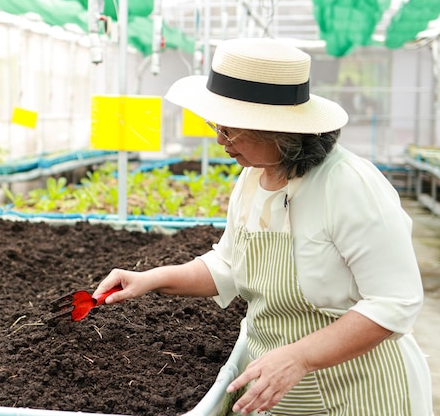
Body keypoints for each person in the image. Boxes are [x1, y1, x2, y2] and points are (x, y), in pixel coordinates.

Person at [92, 38, 434, 415]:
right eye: (216, 125)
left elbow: (394, 303)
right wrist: (151, 279)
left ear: (279, 130)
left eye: (230, 130)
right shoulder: (254, 177)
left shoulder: (349, 185)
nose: (219, 140)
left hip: (355, 393)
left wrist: (300, 358)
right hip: (278, 393)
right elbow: (227, 264)